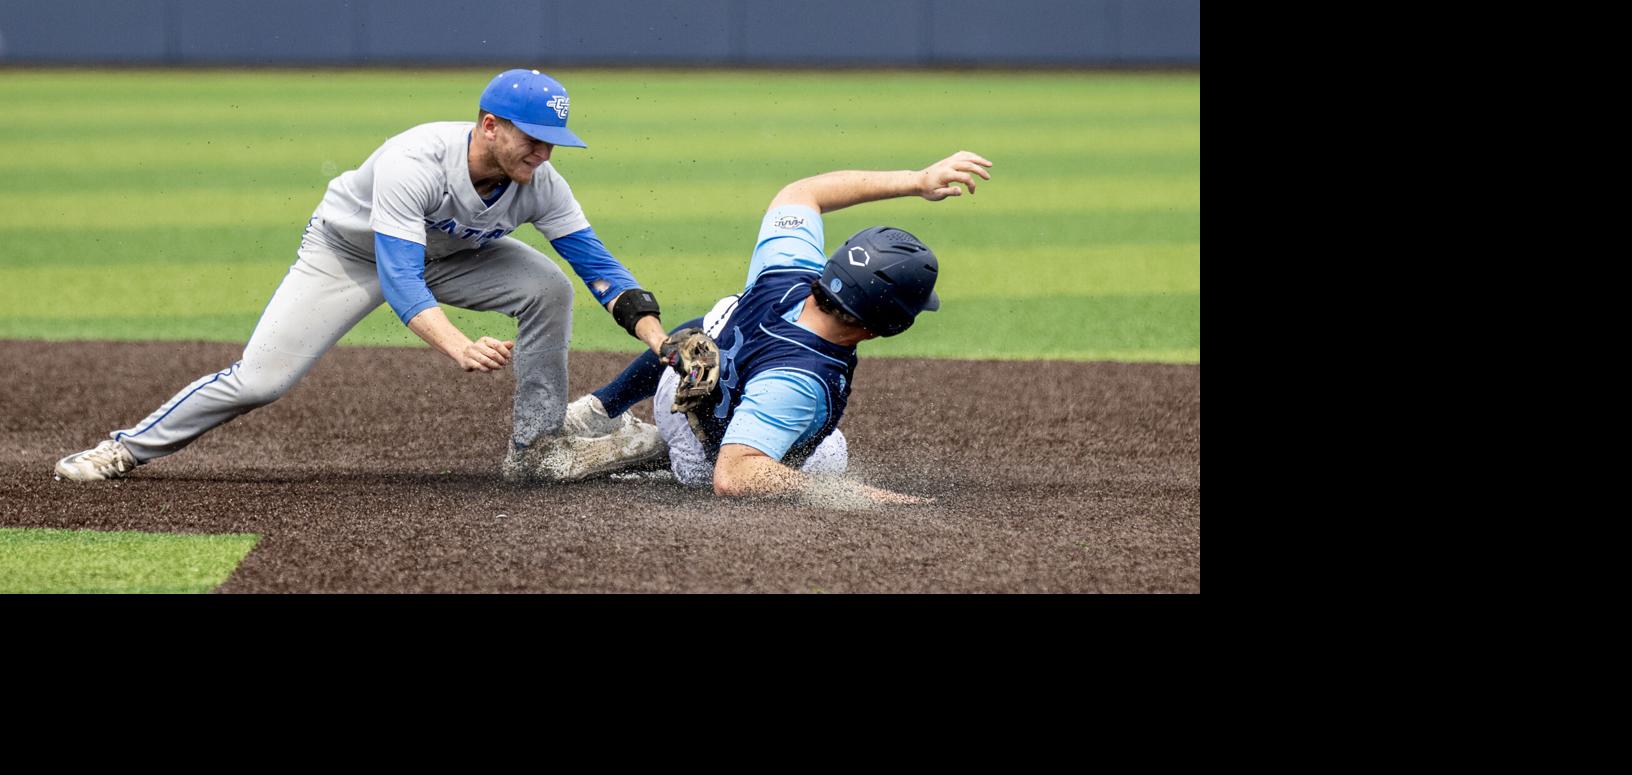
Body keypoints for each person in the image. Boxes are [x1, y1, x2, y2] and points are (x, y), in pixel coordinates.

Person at [54, 68, 671, 484]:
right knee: (261, 380)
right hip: (346, 256)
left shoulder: (541, 184)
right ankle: (125, 447)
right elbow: (400, 276)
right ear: (489, 125)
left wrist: (658, 338)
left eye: (552, 144)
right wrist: (456, 343)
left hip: (452, 255)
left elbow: (597, 266)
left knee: (549, 287)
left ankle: (537, 448)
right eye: (533, 140)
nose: (543, 154)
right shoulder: (416, 161)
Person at [563, 150, 993, 504]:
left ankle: (601, 408)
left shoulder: (788, 269)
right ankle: (660, 454)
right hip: (704, 462)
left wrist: (916, 180)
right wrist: (857, 496)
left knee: (720, 315)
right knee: (830, 455)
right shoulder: (800, 381)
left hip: (671, 394)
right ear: (888, 324)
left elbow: (802, 192)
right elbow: (734, 476)